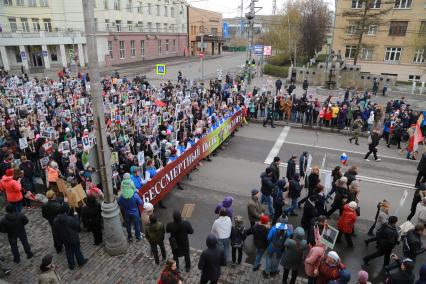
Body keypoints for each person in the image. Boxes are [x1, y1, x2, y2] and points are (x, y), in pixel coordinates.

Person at [53, 204, 88, 270]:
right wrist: (76, 215)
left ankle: (71, 265)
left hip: (65, 239)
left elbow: (55, 232)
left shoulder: (55, 220)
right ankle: (81, 261)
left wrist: (59, 241)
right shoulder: (69, 219)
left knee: (68, 251)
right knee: (77, 250)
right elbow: (77, 224)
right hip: (73, 237)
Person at [117, 173, 143, 242]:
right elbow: (141, 203)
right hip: (135, 213)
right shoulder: (135, 195)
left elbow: (119, 203)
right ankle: (138, 237)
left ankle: (130, 237)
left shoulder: (122, 196)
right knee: (137, 225)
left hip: (126, 212)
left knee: (128, 226)